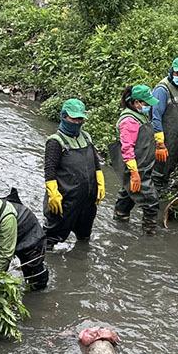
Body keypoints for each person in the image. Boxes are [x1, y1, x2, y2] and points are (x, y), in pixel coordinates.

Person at [44, 99, 104, 247]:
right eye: (73, 118)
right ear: (64, 116)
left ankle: (81, 257)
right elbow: (50, 170)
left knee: (84, 237)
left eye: (80, 119)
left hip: (88, 200)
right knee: (50, 238)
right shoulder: (55, 142)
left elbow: (95, 162)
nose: (77, 122)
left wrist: (100, 183)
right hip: (65, 200)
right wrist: (53, 194)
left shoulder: (86, 137)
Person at [110, 84, 161, 234]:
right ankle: (150, 236)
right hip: (136, 167)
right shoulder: (129, 120)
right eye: (146, 103)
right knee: (151, 201)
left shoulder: (140, 114)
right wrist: (134, 173)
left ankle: (119, 225)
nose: (149, 106)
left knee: (128, 194)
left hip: (143, 164)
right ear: (136, 102)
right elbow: (127, 149)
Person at [151, 57, 178, 191]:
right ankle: (152, 198)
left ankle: (162, 190)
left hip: (177, 136)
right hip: (163, 136)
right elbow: (155, 117)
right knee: (157, 171)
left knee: (169, 167)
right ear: (172, 71)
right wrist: (159, 144)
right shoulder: (162, 90)